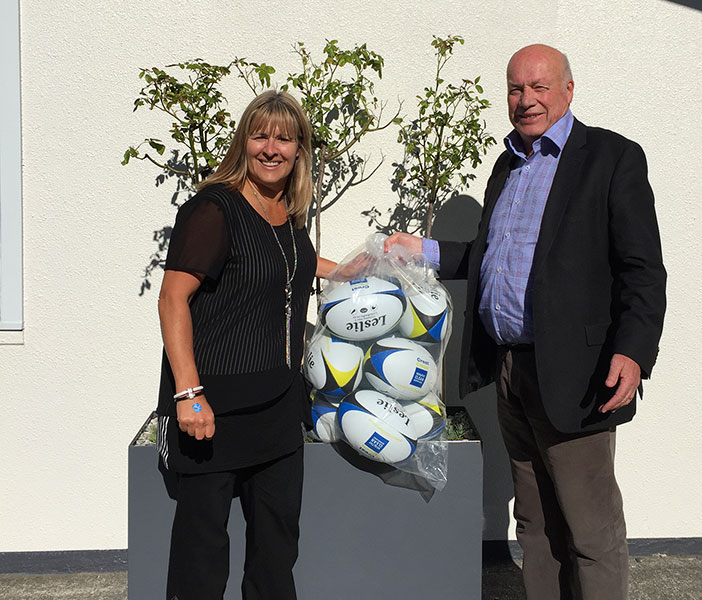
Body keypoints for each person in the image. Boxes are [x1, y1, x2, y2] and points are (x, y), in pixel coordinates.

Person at [386, 44, 667, 600]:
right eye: (516, 88)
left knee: (590, 528)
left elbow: (643, 269)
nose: (526, 99)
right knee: (535, 522)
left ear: (567, 90)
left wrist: (632, 351)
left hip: (580, 373)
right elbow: (493, 254)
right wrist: (425, 250)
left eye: (540, 87)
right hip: (512, 370)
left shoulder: (611, 158)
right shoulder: (508, 163)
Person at [156, 90, 336, 600]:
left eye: (285, 137)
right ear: (244, 141)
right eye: (261, 135)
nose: (272, 148)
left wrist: (349, 271)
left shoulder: (285, 210)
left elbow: (290, 264)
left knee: (276, 557)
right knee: (201, 562)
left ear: (300, 149)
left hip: (278, 408)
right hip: (213, 412)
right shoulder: (214, 209)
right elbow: (173, 299)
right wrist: (188, 393)